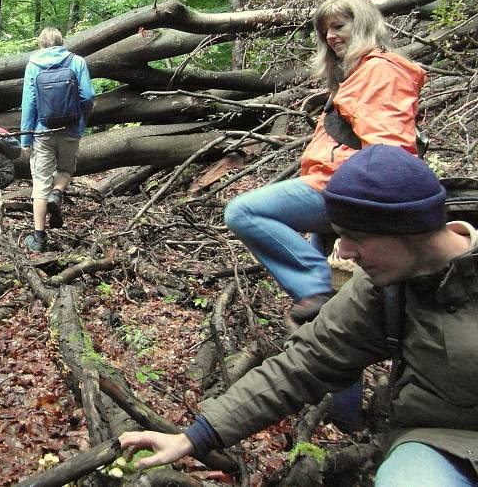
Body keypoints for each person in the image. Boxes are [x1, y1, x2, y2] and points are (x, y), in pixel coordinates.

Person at [120, 145, 478, 487]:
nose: (346, 252)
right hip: (442, 441)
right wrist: (194, 437)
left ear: (408, 230)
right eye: (340, 235)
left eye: (356, 237)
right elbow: (305, 362)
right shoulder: (380, 290)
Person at [224, 0, 425, 323]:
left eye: (339, 26)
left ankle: (315, 284)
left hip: (341, 189)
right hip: (336, 186)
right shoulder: (359, 75)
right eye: (325, 31)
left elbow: (388, 147)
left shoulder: (380, 72)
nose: (331, 37)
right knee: (332, 321)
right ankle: (329, 320)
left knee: (243, 211)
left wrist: (369, 206)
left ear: (362, 25)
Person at [20, 26, 95, 252]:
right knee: (65, 170)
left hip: (43, 130)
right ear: (62, 41)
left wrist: (25, 138)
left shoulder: (33, 65)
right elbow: (88, 96)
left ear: (41, 43)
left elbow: (29, 104)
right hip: (71, 128)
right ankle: (58, 192)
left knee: (40, 183)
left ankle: (39, 238)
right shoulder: (77, 61)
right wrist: (82, 121)